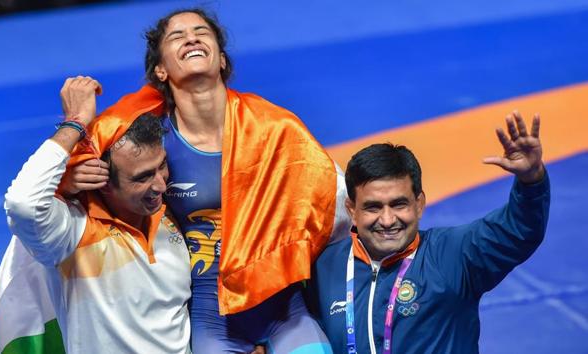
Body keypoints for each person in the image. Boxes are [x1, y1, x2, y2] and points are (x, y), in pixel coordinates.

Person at [65, 8, 350, 353]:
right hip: (210, 317)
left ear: (223, 62)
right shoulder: (152, 144)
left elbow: (332, 201)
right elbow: (80, 199)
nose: (191, 38)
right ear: (160, 70)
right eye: (177, 36)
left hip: (283, 306)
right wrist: (71, 180)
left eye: (202, 32)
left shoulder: (274, 128)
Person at [307, 112, 549, 353]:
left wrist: (531, 181)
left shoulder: (453, 254)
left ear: (419, 204)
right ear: (352, 210)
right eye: (373, 207)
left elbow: (518, 230)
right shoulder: (324, 266)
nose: (388, 220)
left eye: (399, 204)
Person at [2, 76, 192, 353]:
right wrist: (74, 123)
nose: (161, 185)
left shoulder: (171, 213)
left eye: (161, 166)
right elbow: (24, 203)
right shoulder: (73, 234)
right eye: (142, 177)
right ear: (101, 181)